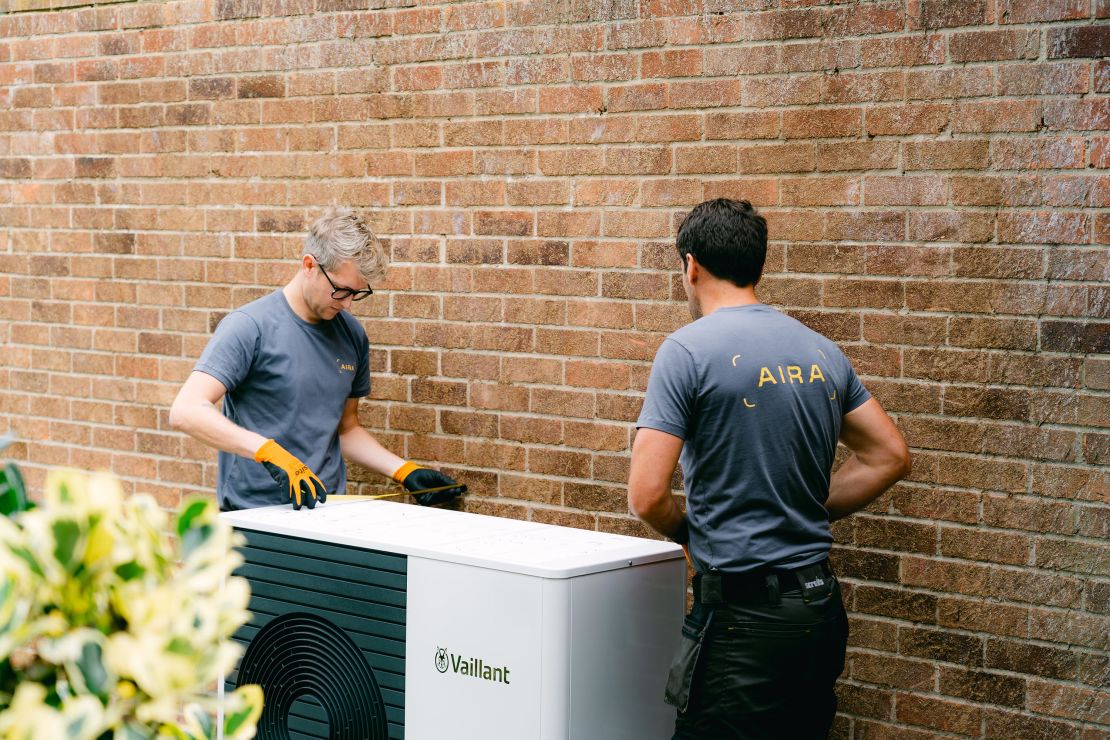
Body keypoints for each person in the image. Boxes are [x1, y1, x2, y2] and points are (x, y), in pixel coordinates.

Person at [628, 198, 911, 739]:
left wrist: (690, 530)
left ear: (690, 266)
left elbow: (646, 495)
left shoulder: (686, 352)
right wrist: (803, 504)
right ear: (758, 265)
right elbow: (889, 456)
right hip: (819, 613)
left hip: (744, 623)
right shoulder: (820, 351)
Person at [169, 207, 465, 512]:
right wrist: (269, 452)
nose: (348, 305)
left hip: (328, 513)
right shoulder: (249, 326)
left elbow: (346, 429)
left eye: (357, 294)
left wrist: (404, 471)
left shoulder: (352, 335)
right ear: (309, 265)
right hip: (255, 515)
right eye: (341, 291)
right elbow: (186, 410)